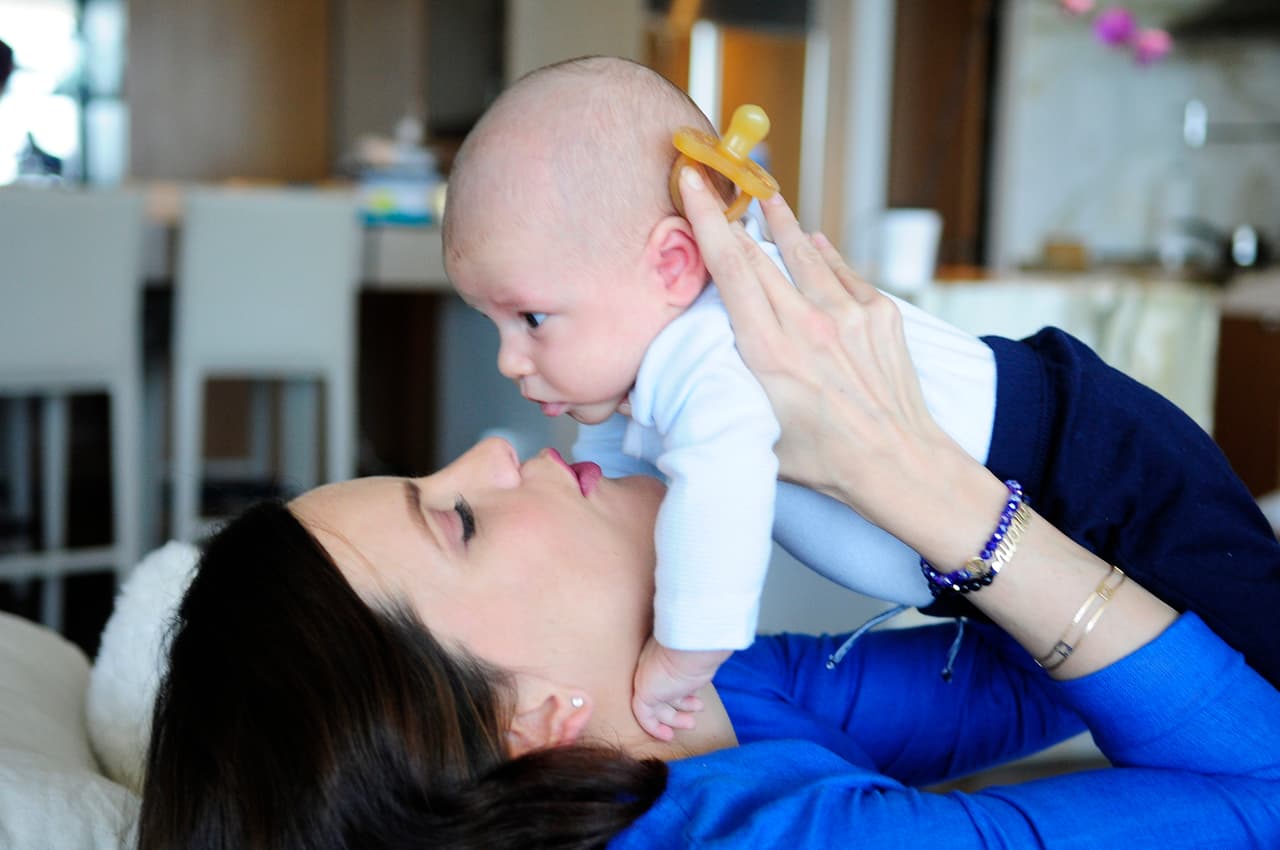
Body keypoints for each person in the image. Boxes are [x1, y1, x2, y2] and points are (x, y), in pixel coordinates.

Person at [136, 170, 1280, 849]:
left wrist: (921, 452)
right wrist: (926, 492)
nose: (492, 446)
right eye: (461, 520)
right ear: (528, 721)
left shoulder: (677, 712)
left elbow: (1026, 674)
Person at [441, 56, 1280, 739]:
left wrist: (681, 655)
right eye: (495, 325)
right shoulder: (651, 365)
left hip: (1082, 460)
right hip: (1005, 520)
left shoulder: (707, 356)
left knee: (1255, 636)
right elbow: (618, 490)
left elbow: (717, 498)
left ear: (669, 264)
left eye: (531, 319)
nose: (513, 360)